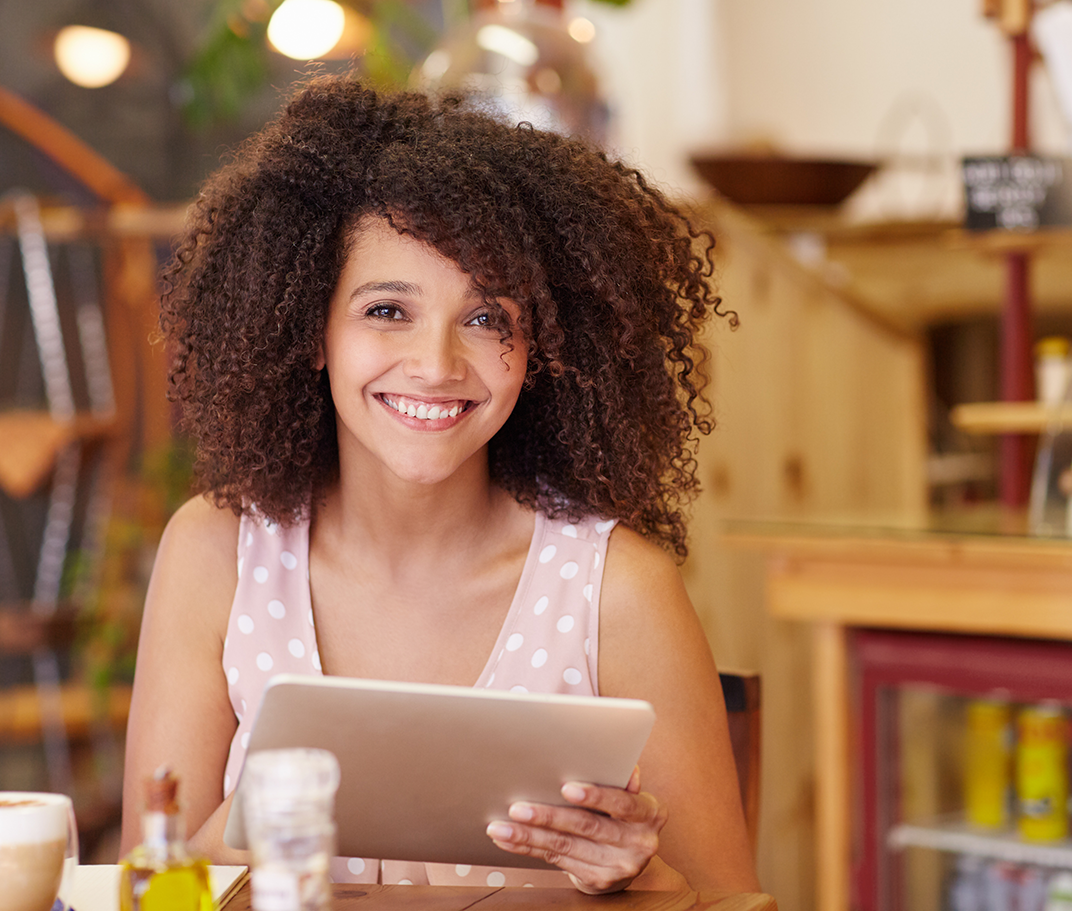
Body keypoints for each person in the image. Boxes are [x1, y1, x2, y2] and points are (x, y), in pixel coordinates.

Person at [119, 74, 758, 895]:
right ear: (312, 331)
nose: (436, 364)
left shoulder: (618, 589)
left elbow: (734, 900)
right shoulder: (216, 556)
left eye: (488, 317)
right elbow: (136, 889)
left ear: (544, 350)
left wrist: (643, 873)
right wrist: (259, 820)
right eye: (388, 310)